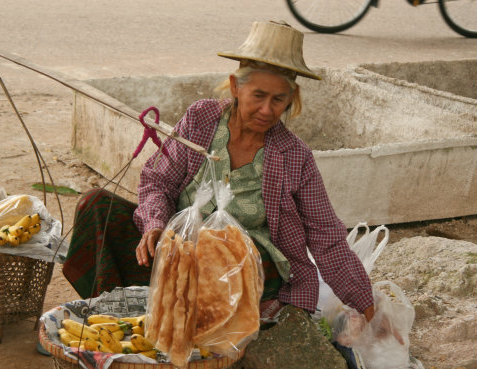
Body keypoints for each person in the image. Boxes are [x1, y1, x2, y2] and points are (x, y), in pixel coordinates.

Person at [62, 20, 375, 324]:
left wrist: (366, 304)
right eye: (258, 96)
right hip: (177, 255)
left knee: (216, 256)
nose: (267, 110)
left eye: (278, 99)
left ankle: (180, 322)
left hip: (240, 272)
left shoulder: (294, 156)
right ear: (236, 86)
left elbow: (327, 237)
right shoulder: (201, 119)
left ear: (291, 99)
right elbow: (158, 180)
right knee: (96, 206)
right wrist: (154, 225)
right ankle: (113, 317)